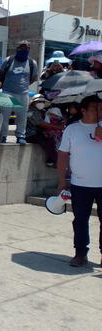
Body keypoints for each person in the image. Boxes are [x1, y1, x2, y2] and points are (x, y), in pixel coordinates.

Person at [57, 95, 102, 267]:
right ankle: (80, 253)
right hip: (80, 184)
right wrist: (61, 181)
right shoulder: (72, 129)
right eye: (95, 108)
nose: (99, 112)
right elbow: (62, 156)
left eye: (101, 109)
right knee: (80, 220)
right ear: (83, 110)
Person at [0, 40, 39, 144]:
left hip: (23, 93)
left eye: (26, 48)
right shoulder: (9, 60)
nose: (23, 50)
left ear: (29, 50)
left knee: (22, 116)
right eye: (21, 48)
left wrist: (23, 85)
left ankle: (20, 136)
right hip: (7, 92)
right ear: (17, 49)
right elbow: (1, 74)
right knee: (4, 116)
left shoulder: (32, 63)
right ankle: (3, 136)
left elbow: (34, 77)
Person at [26, 95, 60, 166]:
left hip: (43, 133)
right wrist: (58, 127)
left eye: (42, 101)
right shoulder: (30, 112)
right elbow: (41, 124)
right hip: (32, 134)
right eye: (39, 101)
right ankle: (57, 161)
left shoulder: (43, 111)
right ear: (34, 102)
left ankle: (51, 159)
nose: (41, 103)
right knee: (48, 141)